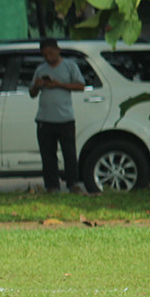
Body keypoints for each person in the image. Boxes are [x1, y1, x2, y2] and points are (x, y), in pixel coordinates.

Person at [29, 39, 87, 195]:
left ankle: (73, 184)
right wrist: (37, 85)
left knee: (69, 154)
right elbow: (32, 93)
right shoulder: (41, 69)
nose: (48, 57)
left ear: (58, 50)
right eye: (45, 55)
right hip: (44, 119)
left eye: (50, 53)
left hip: (65, 119)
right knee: (48, 155)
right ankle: (52, 186)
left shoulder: (69, 66)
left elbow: (80, 86)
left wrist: (59, 84)